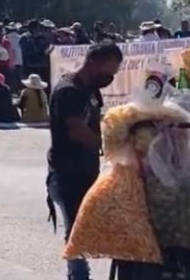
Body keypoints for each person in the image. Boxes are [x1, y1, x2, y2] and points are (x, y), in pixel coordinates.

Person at [46, 42, 122, 280]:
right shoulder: (68, 91)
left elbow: (95, 124)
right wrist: (114, 145)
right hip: (66, 173)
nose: (110, 78)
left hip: (87, 170)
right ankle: (78, 276)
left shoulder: (91, 91)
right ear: (92, 63)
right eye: (107, 72)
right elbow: (78, 131)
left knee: (84, 227)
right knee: (76, 230)